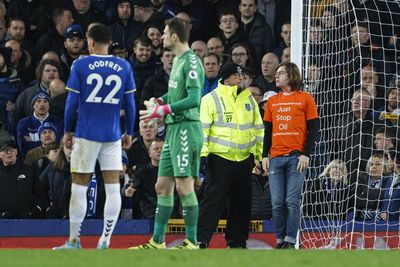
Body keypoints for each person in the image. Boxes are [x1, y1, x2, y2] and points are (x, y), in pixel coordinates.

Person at [53, 23, 136, 250]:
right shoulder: (123, 66)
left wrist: (67, 130)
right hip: (112, 135)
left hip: (86, 134)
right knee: (112, 187)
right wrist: (129, 131)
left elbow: (71, 103)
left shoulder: (80, 64)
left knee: (79, 187)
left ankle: (73, 241)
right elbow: (130, 103)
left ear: (90, 41)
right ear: (109, 42)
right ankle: (105, 240)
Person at [130, 17, 204, 250]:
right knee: (162, 186)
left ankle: (192, 242)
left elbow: (194, 99)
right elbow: (175, 95)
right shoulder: (178, 61)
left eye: (163, 33)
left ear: (174, 36)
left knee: (184, 186)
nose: (160, 37)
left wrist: (163, 110)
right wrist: (158, 102)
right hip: (173, 131)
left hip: (186, 130)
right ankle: (158, 242)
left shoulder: (191, 61)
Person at [197, 62, 264, 249]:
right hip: (219, 159)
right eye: (237, 76)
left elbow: (258, 129)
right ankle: (201, 239)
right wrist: (203, 155)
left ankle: (237, 241)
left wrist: (258, 156)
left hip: (244, 160)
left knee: (241, 204)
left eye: (242, 76)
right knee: (212, 202)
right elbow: (202, 130)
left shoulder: (249, 100)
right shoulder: (210, 99)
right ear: (226, 79)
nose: (241, 79)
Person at [262, 62, 319, 248]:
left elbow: (314, 129)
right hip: (275, 158)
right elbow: (268, 131)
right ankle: (280, 240)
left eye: (281, 73)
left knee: (291, 201)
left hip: (296, 158)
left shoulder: (306, 98)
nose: (276, 76)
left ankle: (290, 240)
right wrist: (264, 155)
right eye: (276, 73)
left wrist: (306, 154)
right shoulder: (272, 102)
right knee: (277, 203)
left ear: (291, 76)